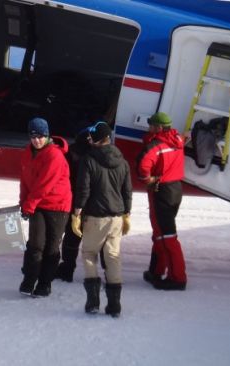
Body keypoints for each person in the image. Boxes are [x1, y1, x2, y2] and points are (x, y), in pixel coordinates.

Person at [71, 121, 132, 317]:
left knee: (89, 254)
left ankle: (93, 301)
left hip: (95, 217)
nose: (89, 139)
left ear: (97, 139)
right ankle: (115, 306)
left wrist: (76, 213)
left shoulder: (89, 160)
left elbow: (83, 189)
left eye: (91, 136)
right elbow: (127, 191)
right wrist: (127, 214)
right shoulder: (122, 161)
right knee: (113, 258)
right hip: (116, 218)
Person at [19, 117, 71, 297]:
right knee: (35, 244)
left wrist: (29, 204)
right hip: (38, 204)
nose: (36, 140)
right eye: (33, 136)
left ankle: (44, 283)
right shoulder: (28, 153)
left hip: (58, 205)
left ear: (47, 136)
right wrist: (23, 202)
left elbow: (44, 184)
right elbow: (25, 180)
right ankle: (29, 280)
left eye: (40, 136)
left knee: (51, 247)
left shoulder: (54, 155)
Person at [137, 112, 187, 290]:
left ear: (159, 128)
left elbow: (143, 165)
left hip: (161, 192)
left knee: (167, 236)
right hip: (175, 189)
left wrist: (147, 180)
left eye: (151, 125)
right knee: (161, 233)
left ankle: (177, 278)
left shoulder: (156, 146)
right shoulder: (178, 141)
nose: (149, 128)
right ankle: (156, 271)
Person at [55, 127, 93, 282]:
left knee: (68, 235)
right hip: (92, 202)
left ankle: (66, 268)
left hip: (71, 199)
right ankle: (106, 275)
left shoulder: (70, 153)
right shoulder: (95, 155)